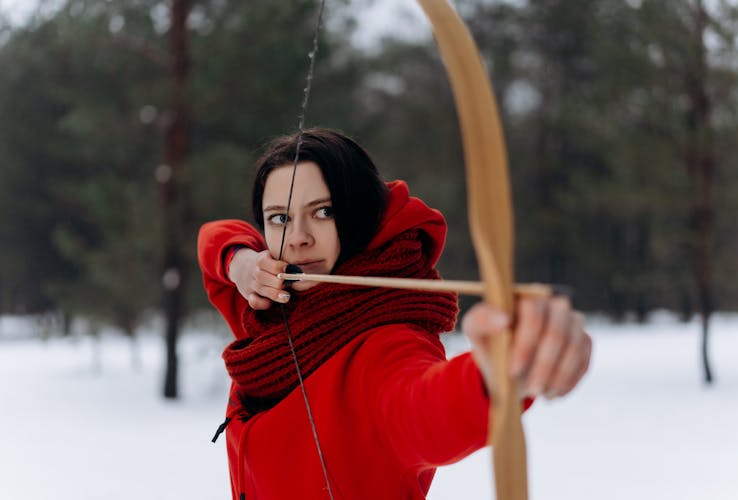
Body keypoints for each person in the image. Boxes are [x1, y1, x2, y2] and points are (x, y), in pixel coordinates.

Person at [197, 128, 592, 500]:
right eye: (279, 218)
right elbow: (211, 239)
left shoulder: (388, 343)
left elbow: (424, 410)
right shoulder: (266, 311)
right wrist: (241, 260)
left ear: (360, 216)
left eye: (324, 212)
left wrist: (497, 371)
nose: (297, 237)